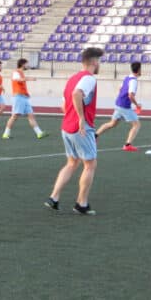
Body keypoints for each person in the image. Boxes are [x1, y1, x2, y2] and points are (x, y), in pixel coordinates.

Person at [45, 47, 104, 216]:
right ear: (93, 62)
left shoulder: (72, 78)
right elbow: (77, 94)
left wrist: (72, 117)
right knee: (90, 164)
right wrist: (81, 119)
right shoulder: (89, 79)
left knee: (72, 163)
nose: (99, 64)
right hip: (81, 128)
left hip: (67, 127)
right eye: (99, 61)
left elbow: (63, 104)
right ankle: (81, 203)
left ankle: (54, 198)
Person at [96, 61, 142, 151]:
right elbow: (131, 95)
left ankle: (95, 136)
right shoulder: (133, 81)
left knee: (112, 123)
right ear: (139, 70)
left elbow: (120, 88)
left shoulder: (127, 78)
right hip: (124, 106)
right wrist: (137, 105)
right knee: (136, 124)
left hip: (118, 103)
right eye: (141, 69)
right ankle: (127, 145)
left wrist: (121, 97)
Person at [2, 58, 46, 140]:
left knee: (31, 116)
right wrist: (30, 79)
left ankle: (39, 133)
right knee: (14, 116)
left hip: (24, 97)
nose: (28, 65)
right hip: (18, 97)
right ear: (22, 64)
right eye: (27, 64)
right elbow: (18, 80)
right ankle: (6, 133)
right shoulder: (16, 72)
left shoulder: (21, 73)